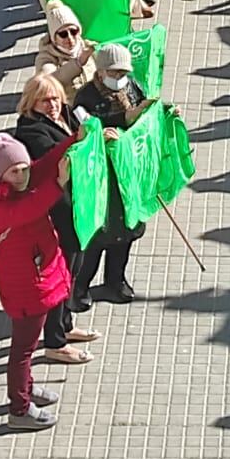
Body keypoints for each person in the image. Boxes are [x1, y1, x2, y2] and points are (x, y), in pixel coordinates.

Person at [0, 131, 73, 430]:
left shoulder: (13, 185)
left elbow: (44, 164)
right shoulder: (0, 205)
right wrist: (58, 184)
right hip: (26, 286)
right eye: (15, 171)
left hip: (31, 279)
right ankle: (19, 409)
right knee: (22, 350)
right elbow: (29, 209)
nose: (22, 175)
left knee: (28, 345)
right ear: (1, 174)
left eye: (23, 169)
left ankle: (26, 388)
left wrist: (77, 138)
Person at [14, 74, 100, 367]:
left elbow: (88, 125)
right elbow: (52, 158)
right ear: (31, 102)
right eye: (44, 100)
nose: (52, 104)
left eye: (55, 97)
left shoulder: (65, 113)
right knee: (60, 273)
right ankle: (54, 342)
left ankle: (65, 323)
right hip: (57, 210)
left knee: (73, 270)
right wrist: (81, 140)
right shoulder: (30, 130)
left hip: (78, 204)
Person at [72, 45, 152, 306]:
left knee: (126, 230)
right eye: (114, 71)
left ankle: (115, 280)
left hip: (127, 172)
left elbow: (143, 121)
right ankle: (80, 286)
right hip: (100, 176)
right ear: (102, 70)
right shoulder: (86, 97)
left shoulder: (132, 87)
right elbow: (80, 131)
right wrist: (100, 135)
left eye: (123, 72)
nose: (119, 77)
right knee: (98, 234)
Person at [35, 0, 96, 103]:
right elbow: (49, 81)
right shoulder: (46, 57)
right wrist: (78, 63)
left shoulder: (88, 47)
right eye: (63, 34)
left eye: (73, 31)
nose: (70, 38)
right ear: (54, 37)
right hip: (69, 113)